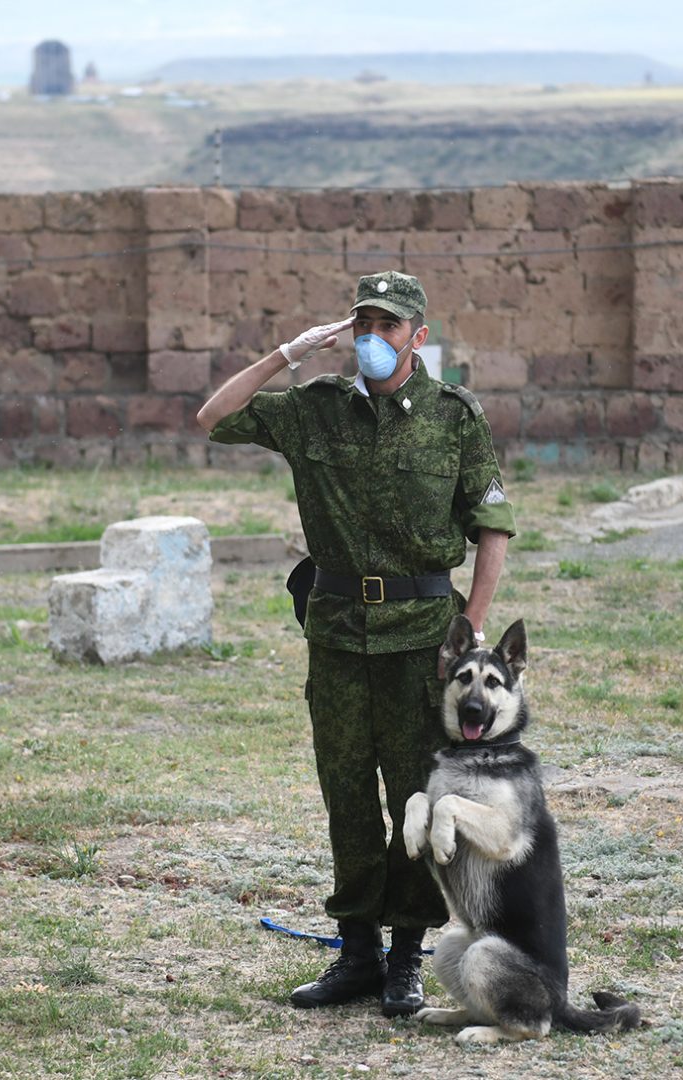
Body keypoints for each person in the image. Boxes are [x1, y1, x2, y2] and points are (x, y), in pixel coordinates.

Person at [196, 270, 516, 1016]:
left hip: (421, 638)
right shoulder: (316, 411)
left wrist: (471, 623)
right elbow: (213, 416)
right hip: (338, 630)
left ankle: (406, 954)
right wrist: (286, 353)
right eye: (362, 323)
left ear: (418, 338)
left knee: (412, 793)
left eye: (389, 325)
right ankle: (357, 953)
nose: (372, 338)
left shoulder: (453, 416)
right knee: (345, 791)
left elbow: (493, 525)